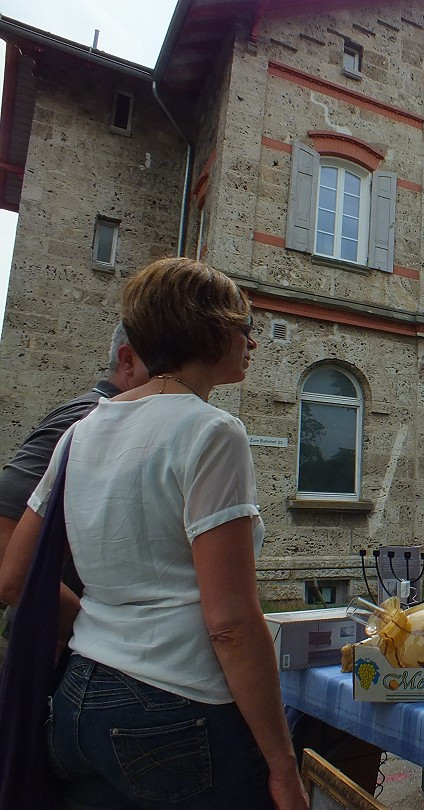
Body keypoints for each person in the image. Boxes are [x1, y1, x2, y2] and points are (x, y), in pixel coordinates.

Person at [0, 258, 307, 809]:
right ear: (210, 329)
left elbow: (13, 578)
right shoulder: (212, 431)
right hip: (177, 711)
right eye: (244, 328)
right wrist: (283, 767)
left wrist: (103, 626)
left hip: (76, 702)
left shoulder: (80, 432)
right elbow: (231, 623)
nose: (252, 344)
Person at [0, 324, 148, 664]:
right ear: (128, 361)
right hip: (51, 653)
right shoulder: (90, 418)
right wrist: (90, 627)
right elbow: (5, 547)